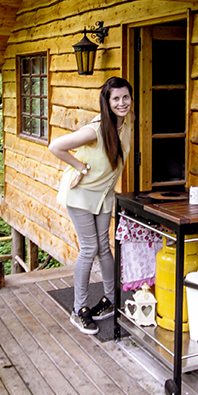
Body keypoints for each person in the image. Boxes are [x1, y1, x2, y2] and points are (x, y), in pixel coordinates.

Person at [49, 76, 134, 335]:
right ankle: (78, 310)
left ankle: (110, 299)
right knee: (89, 249)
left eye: (125, 97)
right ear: (107, 103)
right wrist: (79, 167)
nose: (122, 103)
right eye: (116, 99)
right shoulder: (95, 130)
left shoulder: (127, 123)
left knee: (104, 249)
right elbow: (56, 146)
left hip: (103, 196)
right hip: (81, 195)